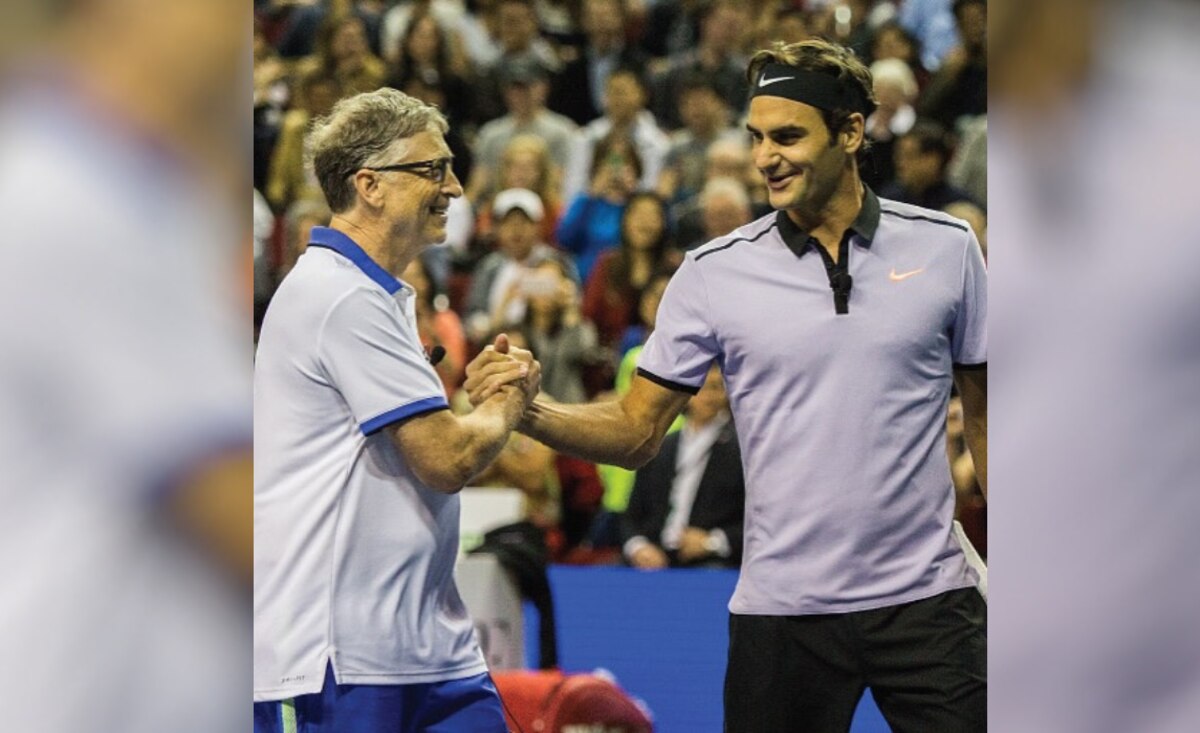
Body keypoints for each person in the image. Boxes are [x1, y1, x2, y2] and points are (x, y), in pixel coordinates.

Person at [468, 38, 987, 732]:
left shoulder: (948, 248)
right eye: (756, 137)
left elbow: (988, 420)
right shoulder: (713, 272)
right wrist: (529, 409)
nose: (765, 156)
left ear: (852, 132)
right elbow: (635, 430)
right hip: (781, 613)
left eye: (788, 135)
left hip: (929, 603)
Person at [254, 88, 537, 733]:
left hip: (431, 653)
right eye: (433, 169)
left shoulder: (371, 296)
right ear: (369, 185)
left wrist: (485, 404)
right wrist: (506, 400)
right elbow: (446, 456)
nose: (456, 188)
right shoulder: (338, 296)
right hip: (334, 659)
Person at [620, 366, 745, 570]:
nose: (707, 396)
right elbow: (631, 514)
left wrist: (711, 542)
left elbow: (756, 520)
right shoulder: (660, 446)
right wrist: (638, 547)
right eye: (700, 388)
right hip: (656, 555)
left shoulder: (741, 450)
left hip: (711, 562)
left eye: (715, 387)